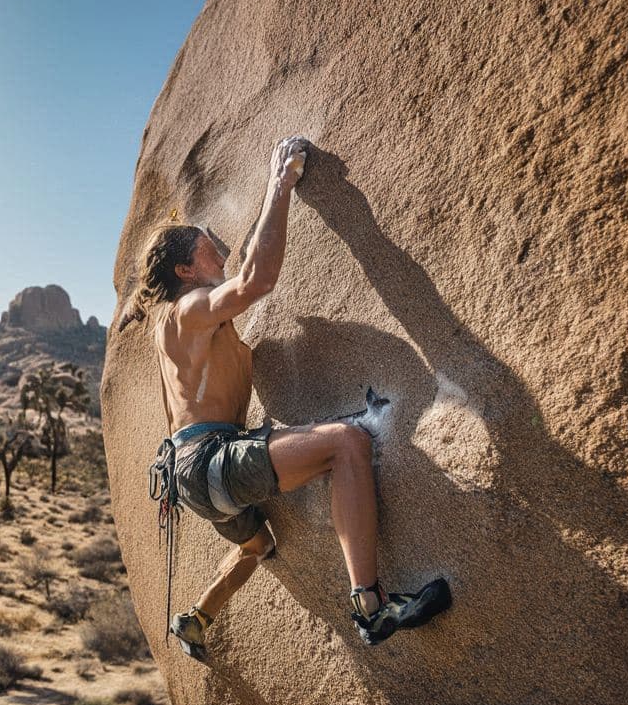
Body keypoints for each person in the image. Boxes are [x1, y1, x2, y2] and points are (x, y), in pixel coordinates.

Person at [121, 136, 450, 658]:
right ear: (185, 271)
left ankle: (199, 617)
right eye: (207, 245)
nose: (220, 249)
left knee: (261, 545)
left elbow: (244, 263)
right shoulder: (187, 311)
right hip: (210, 462)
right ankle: (372, 606)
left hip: (191, 478)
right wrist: (280, 186)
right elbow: (255, 279)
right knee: (346, 444)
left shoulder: (175, 331)